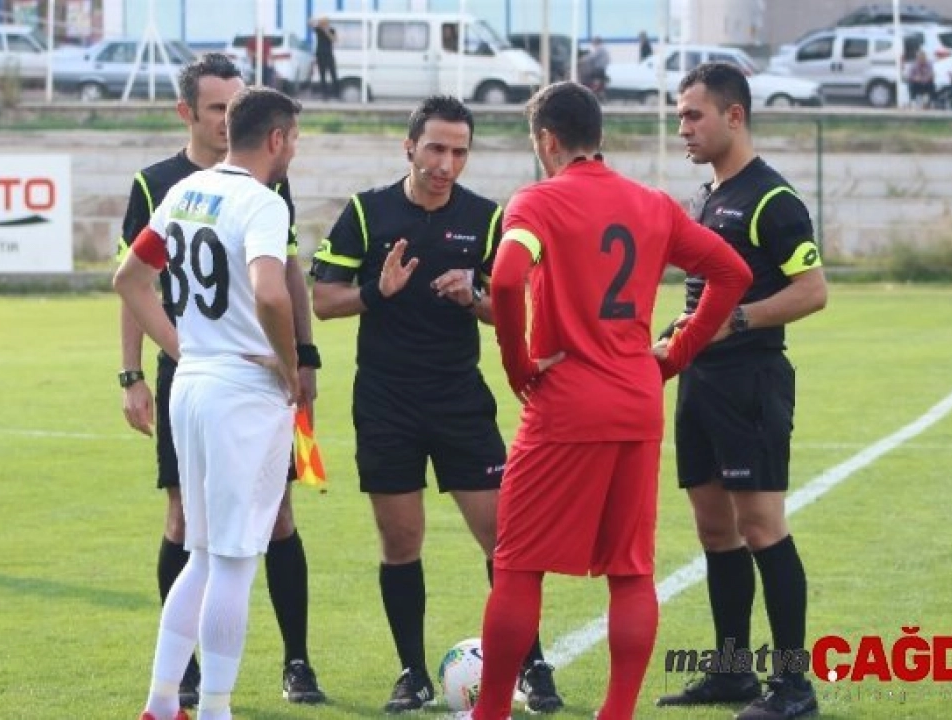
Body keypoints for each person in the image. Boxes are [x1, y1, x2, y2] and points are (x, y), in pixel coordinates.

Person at [467, 80, 751, 720]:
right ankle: (617, 711)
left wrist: (517, 363)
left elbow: (506, 279)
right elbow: (732, 273)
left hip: (564, 404)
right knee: (631, 571)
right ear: (597, 136)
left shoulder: (537, 202)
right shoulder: (652, 204)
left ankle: (491, 712)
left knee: (517, 566)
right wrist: (676, 352)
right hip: (635, 401)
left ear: (547, 141)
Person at [310, 95, 563, 714]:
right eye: (436, 149)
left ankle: (532, 665)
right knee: (401, 543)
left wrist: (474, 297)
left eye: (459, 152)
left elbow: (513, 308)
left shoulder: (486, 217)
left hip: (459, 401)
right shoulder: (367, 212)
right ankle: (413, 673)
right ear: (409, 147)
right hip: (385, 403)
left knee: (505, 542)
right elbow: (323, 300)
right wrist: (378, 291)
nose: (447, 164)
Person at [116, 54, 324, 710]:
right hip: (242, 392)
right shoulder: (261, 201)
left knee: (203, 554)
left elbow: (128, 279)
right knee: (233, 560)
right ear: (276, 139)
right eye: (294, 139)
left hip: (194, 384)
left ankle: (161, 703)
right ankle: (214, 707)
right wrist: (290, 366)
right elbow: (271, 289)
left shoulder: (185, 192)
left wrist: (183, 347)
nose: (294, 150)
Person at [655, 62, 828, 720]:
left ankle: (794, 687)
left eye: (693, 115)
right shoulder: (707, 197)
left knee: (760, 526)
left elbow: (812, 291)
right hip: (700, 382)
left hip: (750, 382)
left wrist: (738, 321)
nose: (683, 127)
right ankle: (732, 674)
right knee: (714, 529)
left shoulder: (772, 199)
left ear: (734, 116)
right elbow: (703, 296)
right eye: (680, 115)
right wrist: (674, 334)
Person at [310, 16, 338, 100]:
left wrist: (326, 30)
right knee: (322, 75)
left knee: (333, 74)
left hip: (329, 54)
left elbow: (334, 40)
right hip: (320, 55)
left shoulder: (331, 30)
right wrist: (317, 21)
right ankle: (325, 95)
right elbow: (310, 23)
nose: (323, 24)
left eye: (325, 22)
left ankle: (336, 93)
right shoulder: (318, 29)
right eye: (322, 22)